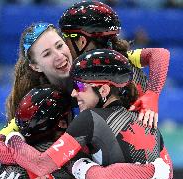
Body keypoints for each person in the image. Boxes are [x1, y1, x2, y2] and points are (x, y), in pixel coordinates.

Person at [0, 49, 173, 179]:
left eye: (80, 86)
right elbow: (168, 172)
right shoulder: (149, 122)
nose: (75, 93)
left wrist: (14, 138)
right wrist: (154, 170)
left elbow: (41, 164)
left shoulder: (89, 119)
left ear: (104, 90)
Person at [58, 0, 170, 128]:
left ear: (81, 42)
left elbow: (160, 54)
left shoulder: (122, 59)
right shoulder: (121, 58)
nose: (64, 46)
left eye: (66, 38)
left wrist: (152, 94)